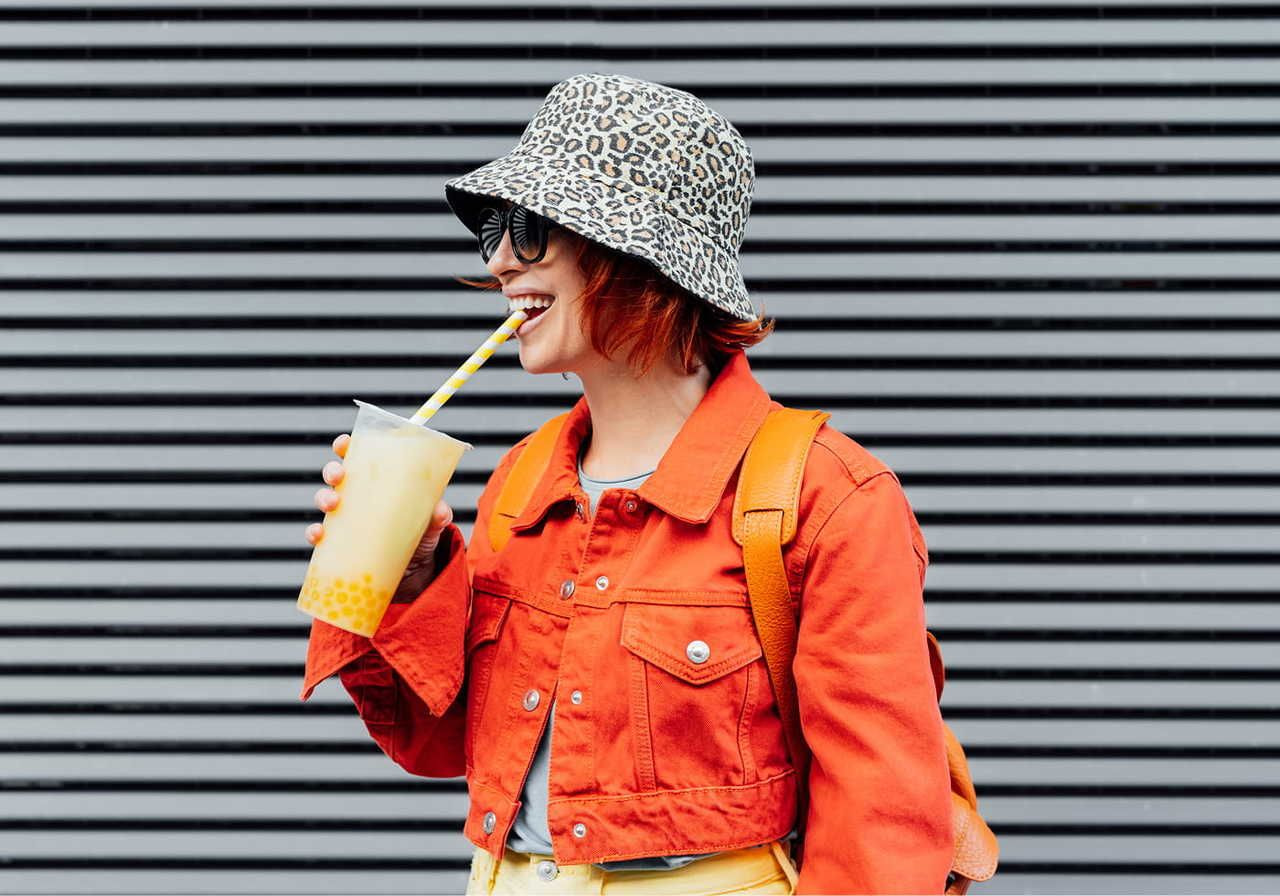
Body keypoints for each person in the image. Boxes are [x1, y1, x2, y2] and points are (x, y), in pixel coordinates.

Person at [300, 72, 952, 895]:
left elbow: (884, 822)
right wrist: (414, 572)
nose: (501, 261)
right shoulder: (524, 479)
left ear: (634, 251)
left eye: (532, 229)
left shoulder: (826, 498)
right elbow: (444, 745)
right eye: (496, 229)